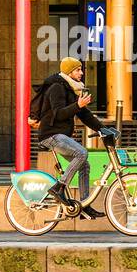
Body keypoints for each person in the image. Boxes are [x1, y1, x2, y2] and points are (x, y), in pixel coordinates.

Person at [30, 57, 107, 219]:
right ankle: (58, 188)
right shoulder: (57, 87)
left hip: (60, 135)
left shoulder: (71, 89)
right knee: (82, 153)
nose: (82, 72)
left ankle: (85, 205)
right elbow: (58, 113)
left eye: (81, 69)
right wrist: (77, 105)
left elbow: (85, 116)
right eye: (78, 70)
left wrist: (105, 129)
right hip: (50, 135)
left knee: (84, 165)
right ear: (69, 72)